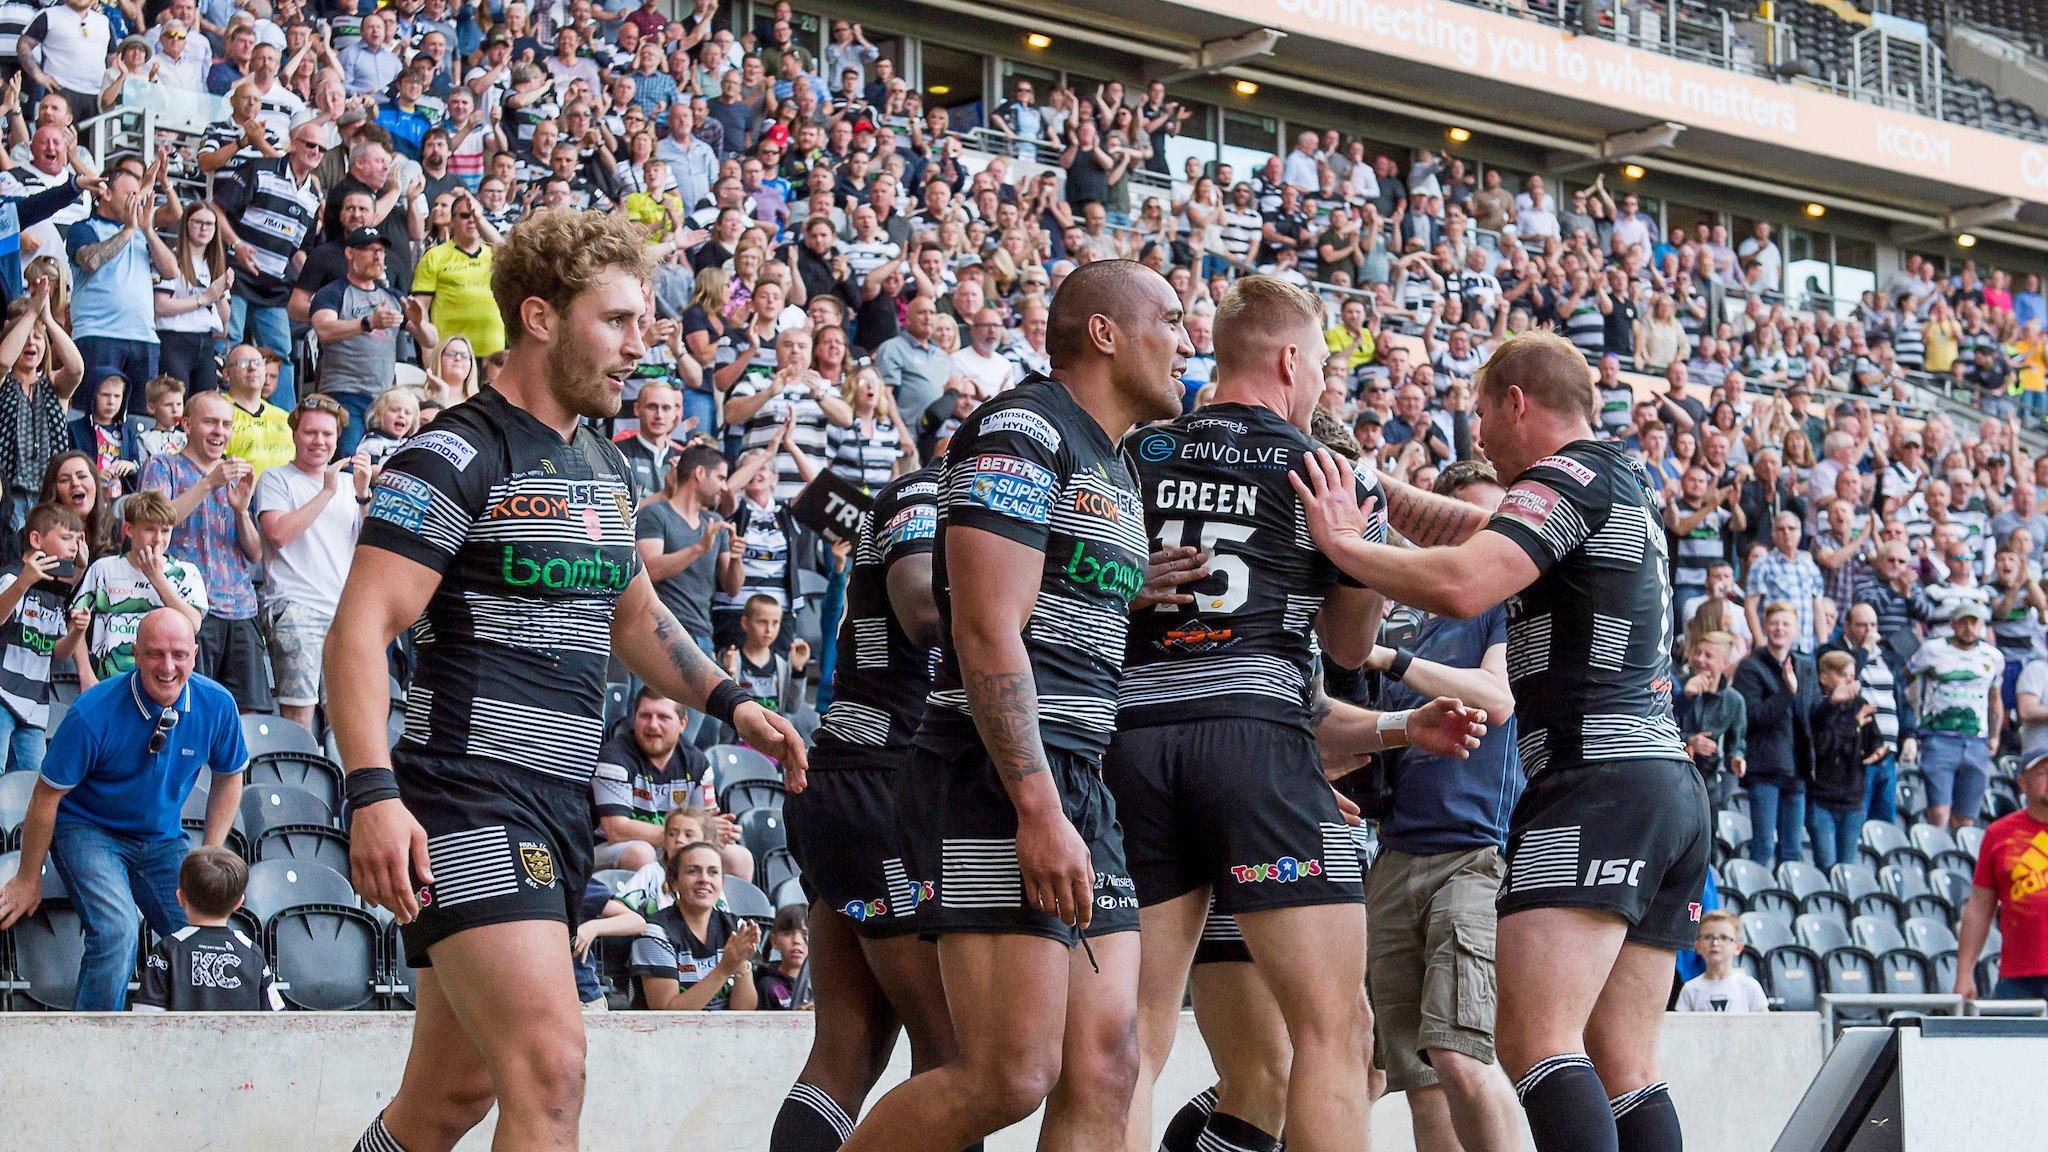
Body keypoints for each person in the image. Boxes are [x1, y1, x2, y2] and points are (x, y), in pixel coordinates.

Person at [331, 211, 804, 1152]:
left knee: (451, 1096)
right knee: (552, 1072)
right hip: (465, 795)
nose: (643, 346)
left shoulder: (602, 461)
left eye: (646, 322)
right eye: (619, 321)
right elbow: (360, 627)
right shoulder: (452, 453)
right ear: (540, 317)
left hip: (554, 802)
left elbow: (632, 613)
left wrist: (732, 700)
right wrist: (372, 794)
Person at [1292, 331, 1705, 1152]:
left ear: (1518, 402)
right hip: (1666, 788)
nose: (1477, 435)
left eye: (1481, 414)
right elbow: (1471, 527)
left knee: (1533, 1041)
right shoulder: (1617, 478)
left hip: (1595, 783)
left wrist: (1345, 547)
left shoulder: (1569, 474)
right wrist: (1370, 490)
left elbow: (1461, 579)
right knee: (1624, 1064)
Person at [835, 261, 1186, 1152]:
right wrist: (1036, 806)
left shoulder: (1109, 458)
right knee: (1005, 1077)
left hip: (1079, 771)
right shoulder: (1022, 428)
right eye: (1172, 322)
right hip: (995, 778)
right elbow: (985, 633)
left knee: (1108, 1065)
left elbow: (1050, 597)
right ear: (1105, 333)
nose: (1187, 343)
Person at [1111, 274, 1453, 1152]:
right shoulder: (1328, 472)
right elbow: (1345, 650)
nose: (1323, 388)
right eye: (1323, 370)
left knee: (1132, 1043)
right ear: (1290, 357)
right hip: (1254, 738)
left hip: (1134, 740)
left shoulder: (1136, 452)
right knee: (1336, 1034)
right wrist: (1358, 553)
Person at [775, 458, 957, 1152]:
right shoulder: (923, 492)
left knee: (848, 1056)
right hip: (881, 788)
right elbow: (919, 605)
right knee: (956, 1059)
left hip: (864, 788)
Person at [1361, 460, 1525, 1152]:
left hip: (1475, 852)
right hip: (1397, 855)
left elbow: (1497, 697)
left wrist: (1385, 660)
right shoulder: (1415, 626)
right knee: (1418, 1079)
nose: (1480, 545)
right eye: (1464, 525)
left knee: (1461, 1057)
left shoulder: (1507, 604)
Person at [0, 609, 248, 1011]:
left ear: (196, 654)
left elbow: (230, 774)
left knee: (205, 932)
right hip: (87, 829)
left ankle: (203, 1050)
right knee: (118, 929)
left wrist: (210, 853)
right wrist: (29, 878)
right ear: (135, 654)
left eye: (179, 655)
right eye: (155, 654)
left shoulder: (217, 704)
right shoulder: (92, 711)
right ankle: (96, 1054)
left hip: (162, 837)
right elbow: (45, 795)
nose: (168, 667)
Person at [140, 390, 270, 712]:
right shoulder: (162, 466)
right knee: (191, 709)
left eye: (226, 424)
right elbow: (154, 525)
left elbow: (255, 554)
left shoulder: (234, 474)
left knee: (247, 715)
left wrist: (241, 511)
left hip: (241, 608)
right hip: (187, 607)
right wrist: (207, 484)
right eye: (210, 422)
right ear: (186, 424)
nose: (219, 432)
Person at [251, 395, 367, 732]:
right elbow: (278, 534)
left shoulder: (349, 485)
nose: (319, 441)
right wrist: (326, 492)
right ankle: (299, 784)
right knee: (298, 716)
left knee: (345, 717)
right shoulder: (277, 478)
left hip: (342, 611)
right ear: (295, 435)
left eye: (327, 434)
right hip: (295, 605)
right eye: (311, 432)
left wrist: (362, 496)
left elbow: (370, 547)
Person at [311, 229, 439, 454]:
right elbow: (323, 329)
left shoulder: (392, 296)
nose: (378, 257)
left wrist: (419, 322)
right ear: (350, 253)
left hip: (384, 399)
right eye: (370, 250)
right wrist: (368, 322)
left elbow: (430, 340)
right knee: (349, 460)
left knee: (384, 464)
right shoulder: (333, 292)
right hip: (343, 392)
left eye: (380, 251)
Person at [69, 491, 206, 688]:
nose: (158, 539)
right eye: (150, 529)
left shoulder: (186, 572)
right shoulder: (104, 569)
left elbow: (193, 624)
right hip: (110, 683)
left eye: (165, 530)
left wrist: (157, 578)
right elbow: (75, 623)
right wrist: (85, 673)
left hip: (164, 683)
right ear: (129, 529)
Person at [131, 845, 285, 1012]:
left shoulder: (168, 949)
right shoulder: (252, 952)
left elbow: (145, 1017)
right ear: (239, 903)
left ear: (180, 898)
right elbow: (277, 1018)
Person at [1955, 738, 2048, 1002]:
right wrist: (1964, 973)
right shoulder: (1999, 834)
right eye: (2041, 773)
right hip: (2018, 977)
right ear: (2022, 782)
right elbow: (1980, 908)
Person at [0, 502, 88, 772]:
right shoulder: (12, 578)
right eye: (66, 538)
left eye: (77, 539)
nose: (74, 546)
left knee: (31, 782)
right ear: (36, 539)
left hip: (34, 707)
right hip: (2, 696)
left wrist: (77, 631)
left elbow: (57, 652)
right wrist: (23, 583)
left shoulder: (55, 593)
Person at [1906, 601, 2005, 829]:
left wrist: (1995, 735)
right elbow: (1907, 677)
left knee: (1966, 817)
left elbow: (1995, 698)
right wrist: (1914, 714)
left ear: (1981, 625)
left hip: (1976, 739)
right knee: (1939, 812)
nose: (1969, 627)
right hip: (1938, 736)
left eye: (1974, 622)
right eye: (1963, 622)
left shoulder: (1993, 656)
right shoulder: (1932, 649)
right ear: (1952, 624)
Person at [631, 839, 762, 1010]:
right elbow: (667, 1015)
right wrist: (724, 969)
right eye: (693, 871)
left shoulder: (735, 927)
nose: (704, 880)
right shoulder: (655, 932)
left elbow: (744, 1013)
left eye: (713, 872)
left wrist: (741, 963)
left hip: (725, 1033)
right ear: (674, 881)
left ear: (722, 883)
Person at [1736, 602, 1818, 867]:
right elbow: (1751, 717)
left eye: (1785, 624)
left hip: (1797, 769)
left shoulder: (1805, 666)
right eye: (1774, 623)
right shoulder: (1750, 668)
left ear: (1796, 630)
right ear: (1765, 627)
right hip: (1765, 768)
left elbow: (1811, 713)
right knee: (1762, 847)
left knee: (1793, 850)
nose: (1779, 629)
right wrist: (1786, 692)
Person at [592, 688, 710, 872]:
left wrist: (718, 832)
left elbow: (705, 827)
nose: (653, 725)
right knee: (641, 853)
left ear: (683, 723)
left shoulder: (697, 763)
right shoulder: (614, 758)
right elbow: (616, 830)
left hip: (672, 849)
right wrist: (683, 835)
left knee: (737, 857)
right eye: (645, 716)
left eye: (663, 717)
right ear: (634, 718)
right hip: (609, 849)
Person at [1807, 651, 1887, 871]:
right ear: (1824, 678)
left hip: (1853, 797)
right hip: (1822, 797)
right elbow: (1821, 746)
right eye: (1844, 675)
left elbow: (1875, 740)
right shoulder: (1816, 706)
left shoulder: (1860, 704)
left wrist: (1879, 752)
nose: (1850, 681)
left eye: (1852, 675)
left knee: (1847, 866)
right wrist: (1851, 722)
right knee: (1826, 864)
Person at [1672, 911, 1769, 1013]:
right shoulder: (1690, 989)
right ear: (1697, 946)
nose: (1715, 943)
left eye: (1724, 937)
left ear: (1738, 947)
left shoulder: (1750, 986)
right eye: (1708, 937)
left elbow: (1765, 1025)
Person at [754, 904, 810, 1010]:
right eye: (787, 934)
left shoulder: (821, 984)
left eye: (804, 934)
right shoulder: (767, 986)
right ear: (774, 941)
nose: (797, 941)